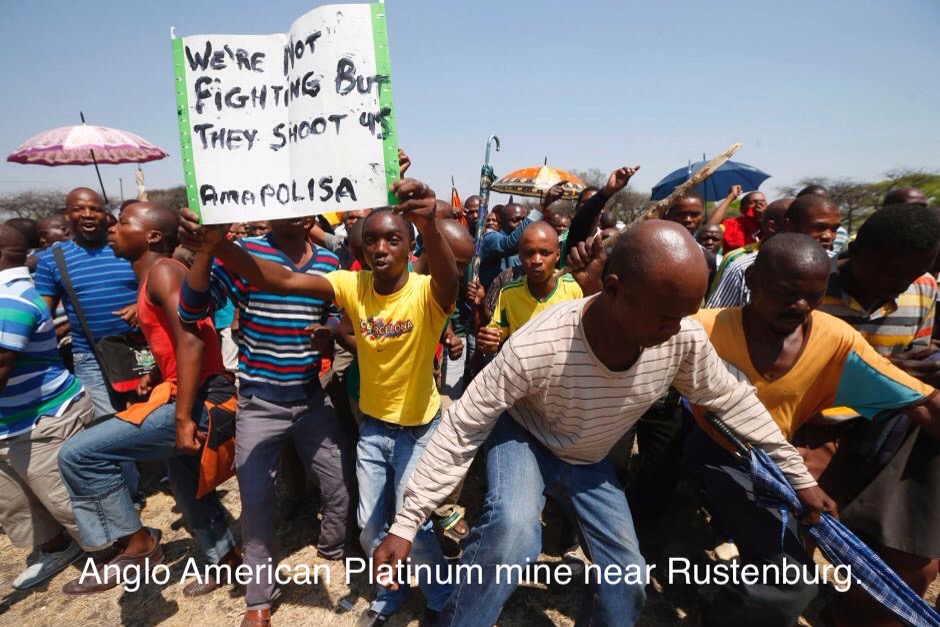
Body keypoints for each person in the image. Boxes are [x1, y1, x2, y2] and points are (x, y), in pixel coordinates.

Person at [372, 220, 831, 627]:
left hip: (588, 458)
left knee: (627, 577)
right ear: (613, 288)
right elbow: (463, 427)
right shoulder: (538, 345)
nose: (676, 329)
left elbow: (733, 402)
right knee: (512, 535)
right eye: (665, 316)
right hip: (527, 439)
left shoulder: (681, 338)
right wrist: (406, 524)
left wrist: (798, 479)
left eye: (685, 315)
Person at [184, 179, 458, 626]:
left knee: (415, 524)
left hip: (419, 431)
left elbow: (451, 278)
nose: (381, 247)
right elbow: (278, 279)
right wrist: (220, 247)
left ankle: (440, 597)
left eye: (393, 239)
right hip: (373, 429)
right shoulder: (352, 284)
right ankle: (388, 594)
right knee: (371, 525)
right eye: (371, 239)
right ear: (360, 247)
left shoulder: (427, 292)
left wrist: (429, 224)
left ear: (410, 247)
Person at [686, 233, 940, 627]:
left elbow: (919, 401)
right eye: (788, 294)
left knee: (788, 569)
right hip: (719, 457)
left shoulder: (834, 338)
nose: (801, 306)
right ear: (752, 280)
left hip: (780, 466)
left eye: (814, 295)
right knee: (791, 582)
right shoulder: (704, 329)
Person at [179, 214, 354, 623]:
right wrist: (207, 249)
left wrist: (328, 329)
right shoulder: (243, 253)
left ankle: (334, 546)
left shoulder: (329, 261)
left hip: (311, 396)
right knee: (256, 502)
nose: (298, 210)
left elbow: (337, 311)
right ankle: (259, 597)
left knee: (340, 479)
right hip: (259, 402)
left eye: (305, 200)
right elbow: (192, 308)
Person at [58, 203, 239, 595]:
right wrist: (155, 374)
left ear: (153, 236)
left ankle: (136, 545)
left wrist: (182, 417)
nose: (112, 227)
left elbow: (192, 340)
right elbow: (177, 339)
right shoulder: (149, 277)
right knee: (189, 489)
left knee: (79, 454)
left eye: (124, 222)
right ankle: (226, 561)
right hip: (182, 392)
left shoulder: (164, 272)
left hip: (202, 400)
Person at [812, 203, 940, 625]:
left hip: (887, 423)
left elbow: (914, 363)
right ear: (857, 251)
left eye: (911, 275)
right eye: (888, 273)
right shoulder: (810, 284)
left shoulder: (922, 288)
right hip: (813, 423)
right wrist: (881, 373)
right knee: (800, 521)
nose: (897, 286)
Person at [0, 225, 95, 589]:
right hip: (9, 422)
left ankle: (116, 551)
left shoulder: (10, 299)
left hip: (41, 420)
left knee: (66, 500)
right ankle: (56, 548)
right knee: (17, 502)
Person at [33, 188, 141, 504]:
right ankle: (128, 494)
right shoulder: (52, 260)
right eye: (79, 208)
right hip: (90, 355)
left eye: (95, 208)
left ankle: (171, 475)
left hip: (140, 348)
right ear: (68, 215)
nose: (88, 214)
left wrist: (141, 306)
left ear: (105, 214)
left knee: (151, 412)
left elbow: (153, 285)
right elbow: (43, 311)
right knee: (108, 424)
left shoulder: (126, 247)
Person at [706, 195, 841, 307]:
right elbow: (715, 320)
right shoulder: (742, 267)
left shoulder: (837, 267)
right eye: (819, 227)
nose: (828, 236)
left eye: (834, 229)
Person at [478, 221, 582, 355]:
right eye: (529, 253)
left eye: (545, 253)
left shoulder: (574, 289)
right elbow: (493, 343)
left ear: (557, 255)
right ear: (519, 256)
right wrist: (488, 343)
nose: (537, 260)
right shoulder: (509, 294)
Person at [476, 184, 563, 288]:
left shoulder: (527, 244)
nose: (521, 224)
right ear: (501, 222)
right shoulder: (490, 238)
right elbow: (509, 245)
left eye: (524, 220)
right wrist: (543, 205)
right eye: (515, 220)